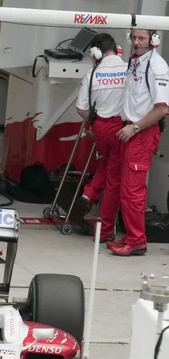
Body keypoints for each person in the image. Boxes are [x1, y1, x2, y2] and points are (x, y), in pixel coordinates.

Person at [107, 29, 169, 256]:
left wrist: (134, 128)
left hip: (141, 132)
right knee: (127, 189)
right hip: (131, 131)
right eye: (133, 37)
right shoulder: (136, 62)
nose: (136, 42)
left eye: (141, 38)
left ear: (153, 40)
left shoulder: (157, 66)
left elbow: (162, 109)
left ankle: (137, 241)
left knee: (132, 191)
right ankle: (132, 236)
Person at [72, 34, 127, 242]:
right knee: (114, 179)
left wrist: (93, 124)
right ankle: (104, 231)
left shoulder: (91, 74)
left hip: (101, 127)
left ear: (95, 53)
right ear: (117, 49)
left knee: (108, 163)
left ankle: (88, 194)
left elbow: (81, 108)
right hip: (121, 127)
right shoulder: (129, 70)